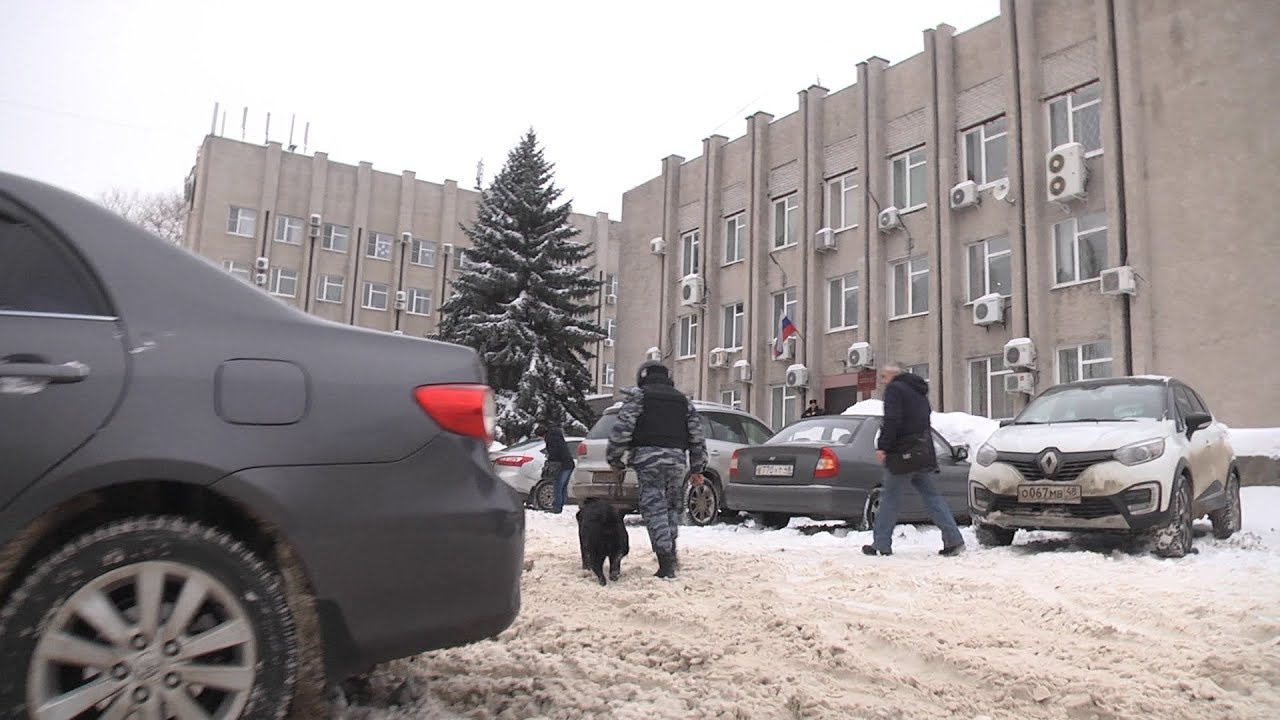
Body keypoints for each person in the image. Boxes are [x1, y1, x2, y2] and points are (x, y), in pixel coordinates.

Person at [606, 361, 707, 578]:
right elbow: (697, 436)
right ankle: (671, 553)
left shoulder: (639, 397)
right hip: (677, 461)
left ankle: (666, 562)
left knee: (654, 509)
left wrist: (614, 458)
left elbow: (622, 430)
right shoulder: (683, 401)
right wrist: (698, 467)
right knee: (672, 507)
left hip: (648, 460)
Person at [863, 363, 965, 557]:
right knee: (932, 497)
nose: (882, 381)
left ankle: (881, 544)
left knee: (889, 498)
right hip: (922, 451)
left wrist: (884, 446)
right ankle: (954, 539)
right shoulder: (918, 391)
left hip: (902, 454)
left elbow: (892, 420)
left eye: (884, 376)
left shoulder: (895, 390)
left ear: (893, 375)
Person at [535, 422, 575, 514]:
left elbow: (555, 454)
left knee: (557, 485)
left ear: (541, 434)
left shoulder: (550, 439)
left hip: (563, 465)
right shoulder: (556, 436)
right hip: (569, 463)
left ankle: (557, 507)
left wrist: (549, 459)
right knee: (563, 486)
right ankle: (562, 504)